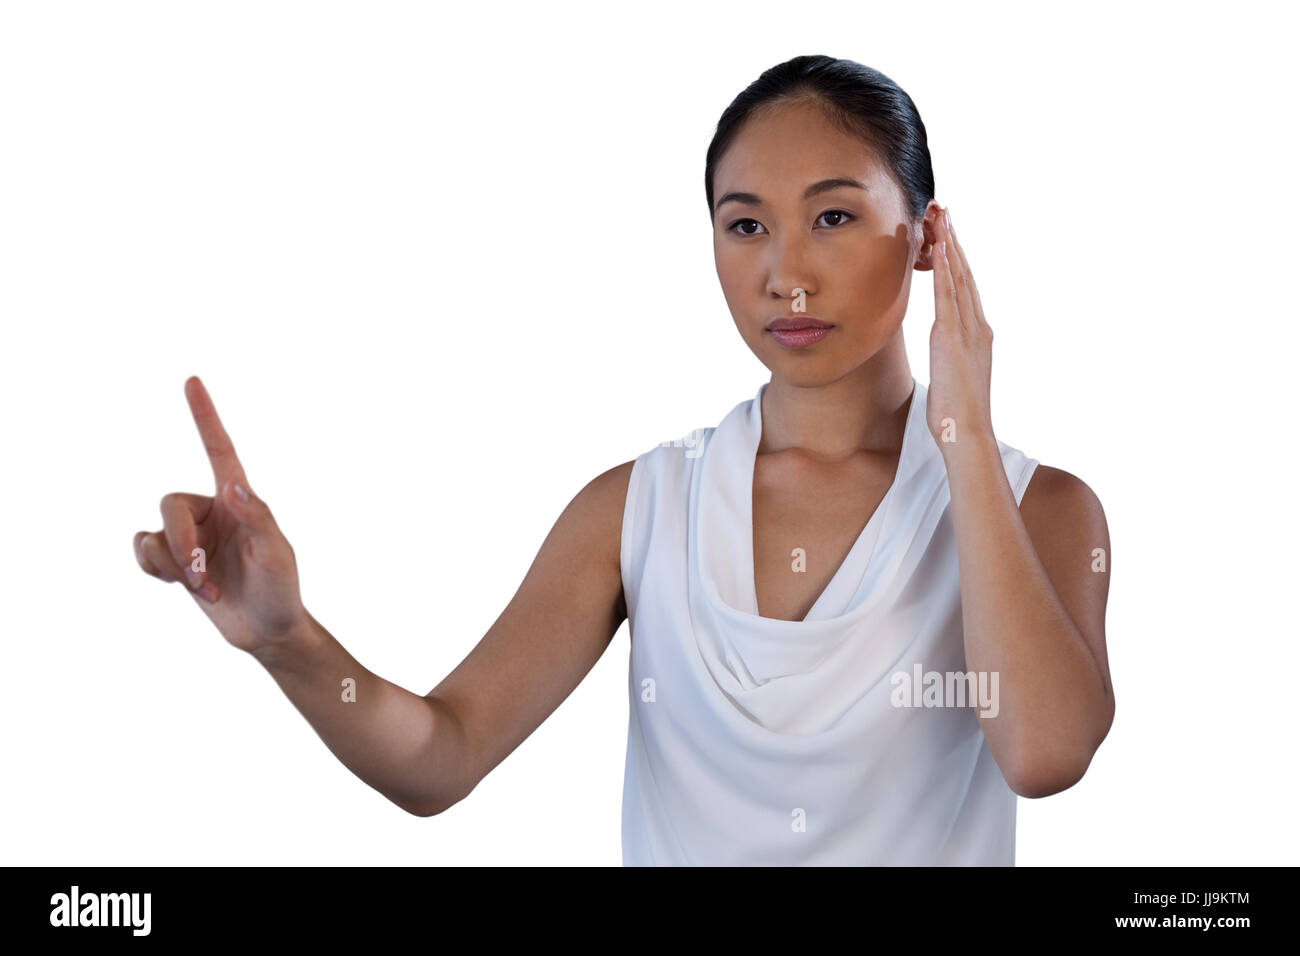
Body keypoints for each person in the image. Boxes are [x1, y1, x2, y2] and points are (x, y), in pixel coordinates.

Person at [133, 54, 1113, 865]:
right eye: (744, 224)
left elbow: (1042, 750)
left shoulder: (1040, 507)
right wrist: (289, 640)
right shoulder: (642, 505)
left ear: (926, 237)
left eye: (833, 215)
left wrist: (966, 439)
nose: (784, 273)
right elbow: (443, 754)